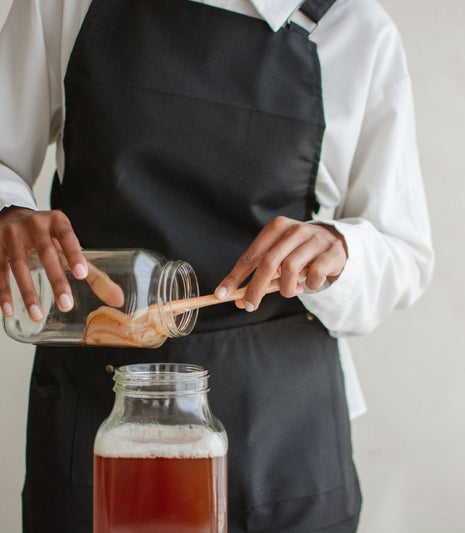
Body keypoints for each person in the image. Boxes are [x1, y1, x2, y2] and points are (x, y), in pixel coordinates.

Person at [0, 0, 434, 531]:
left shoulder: (357, 30)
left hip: (282, 434)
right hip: (102, 413)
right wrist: (9, 211)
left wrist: (339, 248)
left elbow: (404, 253)